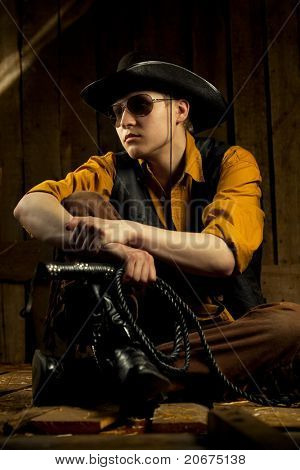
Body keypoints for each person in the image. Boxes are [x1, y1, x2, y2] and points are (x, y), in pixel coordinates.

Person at [14, 51, 300, 407]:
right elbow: (29, 206)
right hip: (138, 328)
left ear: (180, 111)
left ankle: (100, 377)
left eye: (139, 105)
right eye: (116, 112)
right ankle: (148, 372)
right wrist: (118, 249)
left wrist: (132, 233)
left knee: (292, 324)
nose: (125, 121)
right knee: (80, 204)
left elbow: (222, 256)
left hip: (220, 337)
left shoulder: (231, 163)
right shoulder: (109, 168)